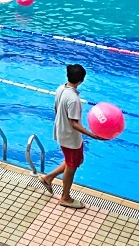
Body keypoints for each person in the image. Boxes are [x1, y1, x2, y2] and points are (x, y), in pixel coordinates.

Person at [40, 63, 102, 209]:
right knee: (72, 166)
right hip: (70, 137)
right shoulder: (73, 99)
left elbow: (56, 110)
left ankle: (48, 178)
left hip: (62, 132)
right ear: (81, 80)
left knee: (76, 160)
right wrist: (92, 135)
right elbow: (74, 123)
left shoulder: (61, 89)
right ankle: (65, 197)